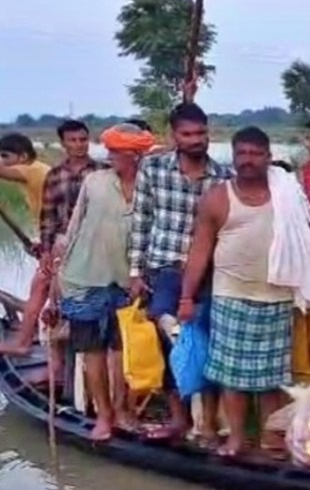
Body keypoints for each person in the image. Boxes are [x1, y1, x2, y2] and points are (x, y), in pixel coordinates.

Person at [180, 126, 310, 457]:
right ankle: (237, 438)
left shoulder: (287, 195)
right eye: (242, 154)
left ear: (268, 157)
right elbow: (200, 250)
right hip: (230, 296)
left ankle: (270, 438)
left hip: (277, 297)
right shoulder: (218, 197)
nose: (249, 160)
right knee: (231, 377)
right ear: (234, 157)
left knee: (272, 378)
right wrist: (186, 296)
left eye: (256, 154)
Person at [128, 102, 233, 443]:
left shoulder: (223, 177)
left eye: (200, 133)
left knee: (208, 347)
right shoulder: (153, 168)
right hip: (164, 268)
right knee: (170, 346)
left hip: (207, 273)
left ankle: (210, 425)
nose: (195, 140)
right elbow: (141, 221)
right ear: (174, 136)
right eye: (187, 134)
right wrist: (135, 271)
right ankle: (179, 420)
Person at [57, 123, 157, 440]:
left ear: (135, 156)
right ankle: (103, 415)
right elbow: (74, 228)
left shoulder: (153, 185)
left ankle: (123, 411)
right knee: (92, 350)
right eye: (110, 150)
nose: (110, 156)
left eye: (117, 152)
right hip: (85, 277)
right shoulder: (95, 181)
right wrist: (57, 267)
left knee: (124, 350)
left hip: (131, 282)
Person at [0, 122, 102, 356]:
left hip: (86, 245)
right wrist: (45, 248)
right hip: (60, 243)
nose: (79, 145)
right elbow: (49, 217)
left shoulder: (34, 169)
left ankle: (26, 343)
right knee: (48, 293)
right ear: (63, 144)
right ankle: (46, 350)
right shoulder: (54, 174)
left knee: (45, 290)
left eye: (83, 139)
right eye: (72, 140)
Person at [0, 132, 52, 223]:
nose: (2, 161)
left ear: (23, 157)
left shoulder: (32, 170)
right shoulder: (39, 167)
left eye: (5, 156)